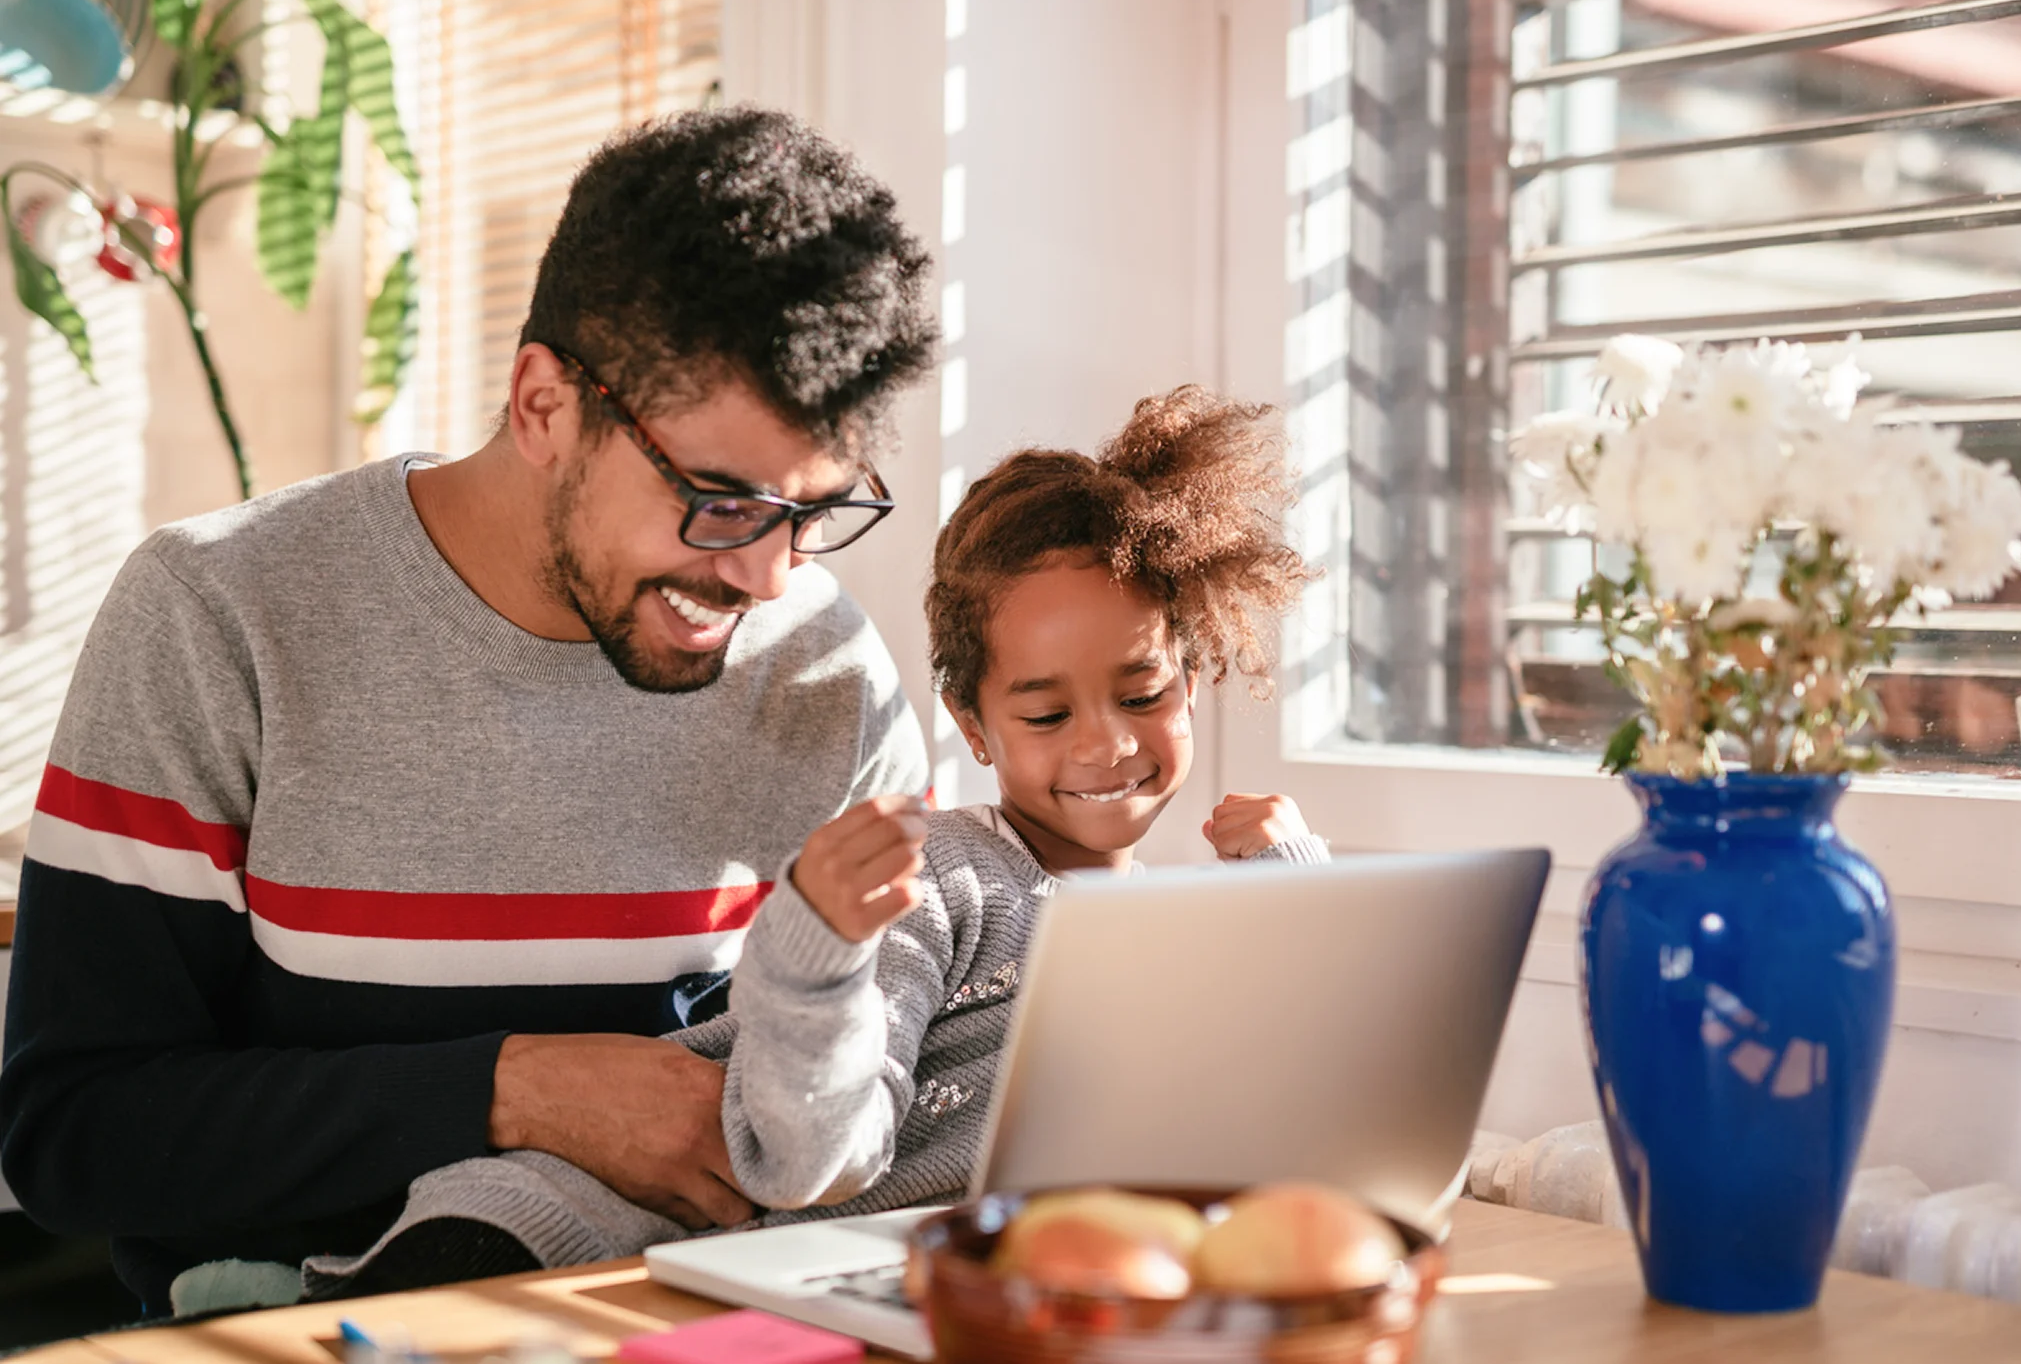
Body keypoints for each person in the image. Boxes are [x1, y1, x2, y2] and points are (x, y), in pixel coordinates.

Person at [0, 106, 938, 1315]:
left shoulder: (822, 672)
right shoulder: (221, 614)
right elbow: (75, 1135)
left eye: (814, 510)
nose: (768, 575)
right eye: (720, 501)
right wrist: (517, 1090)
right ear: (545, 405)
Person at [303, 385, 1324, 1288]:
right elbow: (812, 1161)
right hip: (572, 1223)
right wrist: (817, 948)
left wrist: (1298, 906)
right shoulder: (947, 877)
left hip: (845, 1279)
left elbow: (1318, 1131)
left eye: (1141, 693)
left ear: (1191, 683)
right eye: (1046, 716)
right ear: (972, 726)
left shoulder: (1192, 932)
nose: (1105, 745)